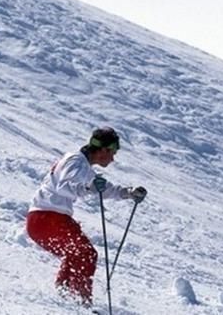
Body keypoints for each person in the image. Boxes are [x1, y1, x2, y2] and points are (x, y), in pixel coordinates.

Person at [26, 126, 147, 307]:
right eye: (112, 152)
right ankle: (81, 303)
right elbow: (64, 185)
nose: (113, 159)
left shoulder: (83, 166)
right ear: (103, 150)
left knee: (76, 254)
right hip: (49, 218)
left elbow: (102, 188)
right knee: (86, 254)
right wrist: (87, 188)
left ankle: (66, 298)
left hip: (41, 221)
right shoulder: (75, 161)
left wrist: (128, 193)